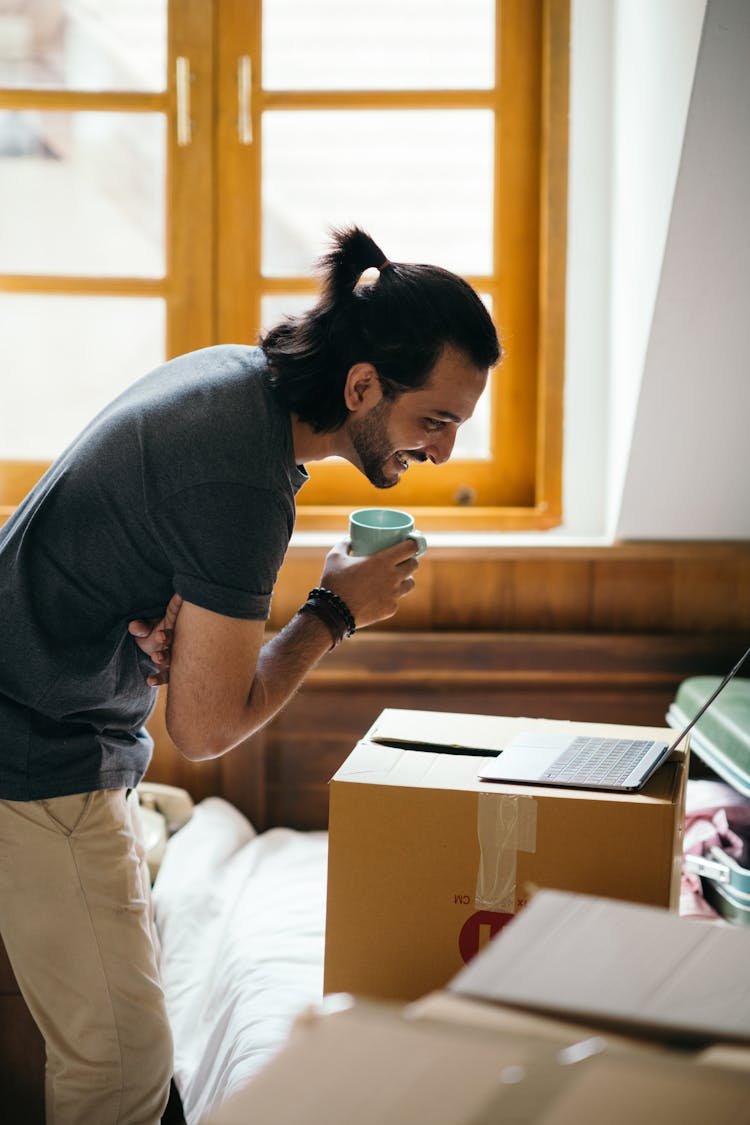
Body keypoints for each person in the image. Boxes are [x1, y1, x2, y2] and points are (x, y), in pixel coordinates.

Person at [0, 226, 501, 1124]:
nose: (445, 454)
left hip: (46, 708)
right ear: (360, 387)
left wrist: (161, 629)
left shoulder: (237, 383)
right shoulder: (245, 478)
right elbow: (205, 729)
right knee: (123, 1065)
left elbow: (128, 549)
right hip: (31, 749)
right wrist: (335, 612)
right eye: (437, 420)